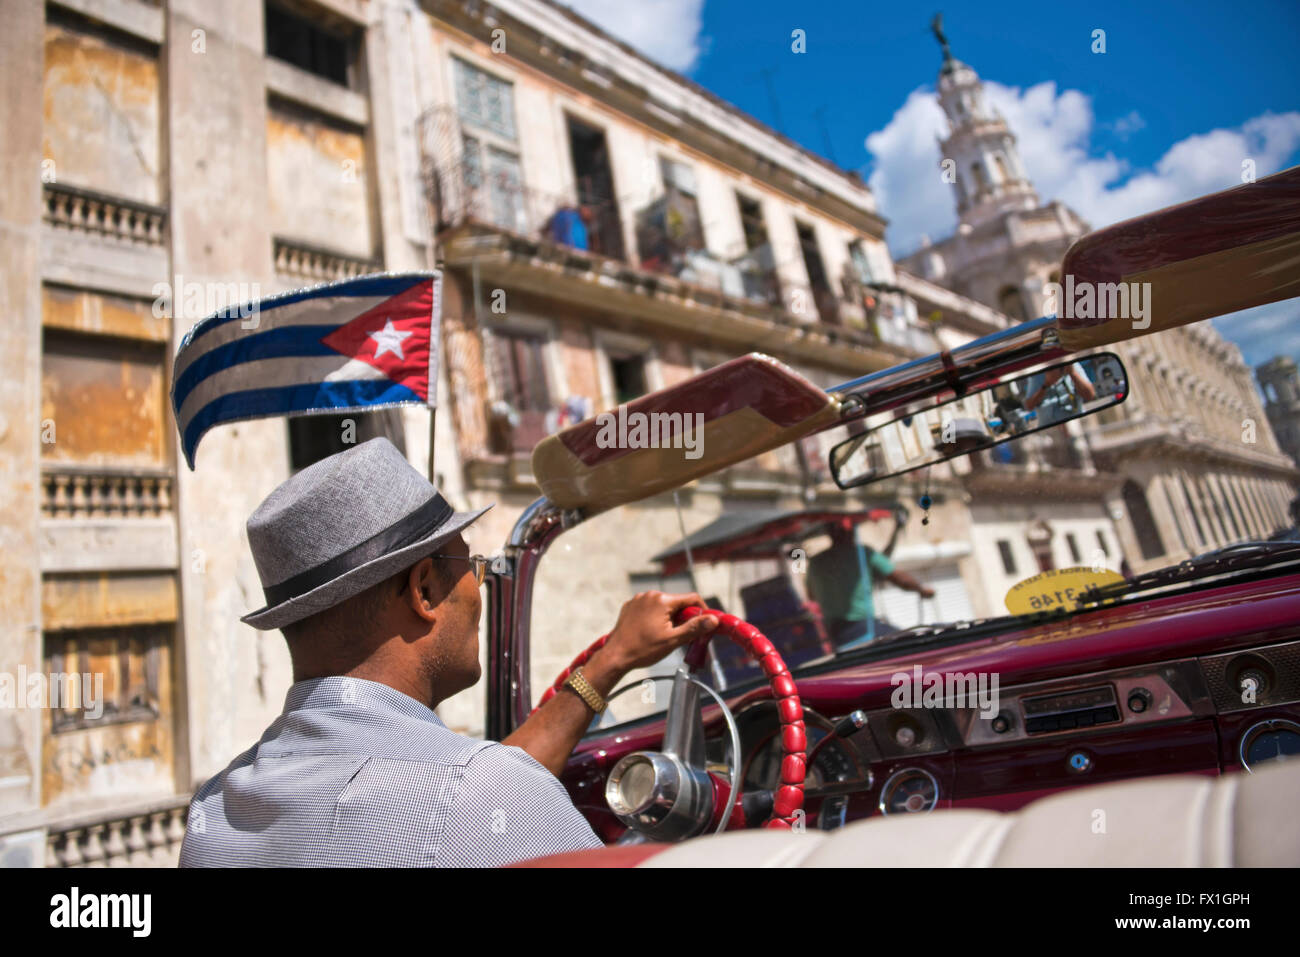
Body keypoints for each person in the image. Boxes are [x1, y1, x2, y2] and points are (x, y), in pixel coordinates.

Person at [179, 438, 718, 867]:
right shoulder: (479, 797)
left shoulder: (213, 813)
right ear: (425, 592)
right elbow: (478, 793)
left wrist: (612, 660)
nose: (477, 587)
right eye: (472, 566)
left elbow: (470, 784)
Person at [805, 518, 935, 650]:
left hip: (835, 634)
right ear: (850, 531)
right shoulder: (863, 553)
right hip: (861, 628)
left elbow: (811, 596)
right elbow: (901, 579)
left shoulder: (815, 562)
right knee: (916, 643)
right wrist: (921, 590)